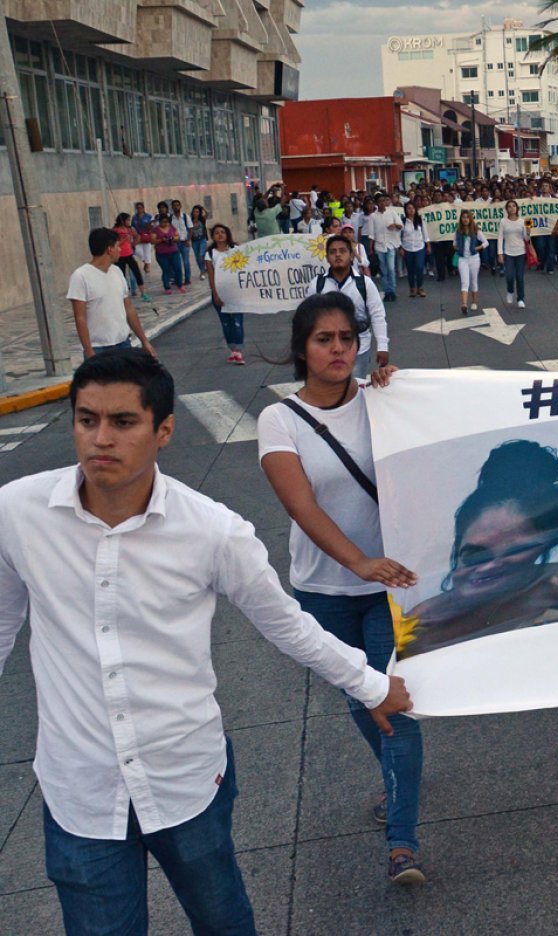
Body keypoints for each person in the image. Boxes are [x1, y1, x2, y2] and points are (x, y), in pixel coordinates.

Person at [0, 350, 414, 931]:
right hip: (80, 793)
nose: (100, 438)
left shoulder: (212, 531)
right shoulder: (18, 512)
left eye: (123, 422)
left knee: (223, 922)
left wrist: (369, 684)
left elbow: (284, 621)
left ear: (163, 430)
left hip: (185, 778)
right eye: (86, 419)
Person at [257, 293, 426, 884]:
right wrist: (357, 561)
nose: (337, 350)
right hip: (324, 588)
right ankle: (398, 782)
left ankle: (402, 842)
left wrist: (404, 392)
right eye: (324, 339)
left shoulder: (384, 401)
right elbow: (300, 505)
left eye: (346, 340)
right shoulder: (278, 420)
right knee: (359, 699)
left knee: (395, 706)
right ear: (301, 349)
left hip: (390, 585)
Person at [399, 441, 558, 658]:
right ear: (458, 546)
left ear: (544, 546)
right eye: (476, 554)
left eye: (514, 552)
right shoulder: (420, 624)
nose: (490, 566)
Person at [68, 228, 157, 360]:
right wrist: (90, 353)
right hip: (98, 349)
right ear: (109, 249)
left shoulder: (117, 272)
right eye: (117, 246)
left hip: (123, 344)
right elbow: (80, 318)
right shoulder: (80, 276)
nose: (120, 249)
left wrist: (144, 340)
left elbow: (129, 309)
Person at [311, 233, 390, 379]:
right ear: (327, 257)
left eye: (343, 251)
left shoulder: (365, 283)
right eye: (333, 252)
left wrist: (382, 346)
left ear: (351, 256)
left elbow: (377, 315)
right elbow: (308, 319)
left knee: (354, 390)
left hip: (358, 348)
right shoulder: (317, 284)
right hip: (326, 350)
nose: (338, 255)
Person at [204, 223, 247, 364]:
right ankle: (232, 349)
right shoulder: (210, 254)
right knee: (226, 323)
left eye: (223, 232)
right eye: (217, 233)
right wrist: (216, 294)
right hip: (220, 291)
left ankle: (239, 351)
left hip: (235, 292)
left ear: (227, 234)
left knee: (237, 322)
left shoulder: (236, 250)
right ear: (213, 236)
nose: (220, 235)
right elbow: (211, 276)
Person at [366, 194, 402, 303]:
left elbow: (401, 225)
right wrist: (370, 248)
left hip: (391, 244)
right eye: (380, 201)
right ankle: (387, 292)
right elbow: (371, 234)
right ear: (376, 203)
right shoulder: (373, 216)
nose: (382, 203)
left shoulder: (392, 213)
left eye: (384, 201)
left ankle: (392, 290)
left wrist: (394, 225)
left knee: (391, 268)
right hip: (379, 245)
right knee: (383, 270)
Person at [110, 213, 150, 302]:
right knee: (122, 275)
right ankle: (125, 294)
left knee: (137, 273)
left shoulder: (129, 229)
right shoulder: (115, 230)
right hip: (119, 256)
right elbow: (114, 244)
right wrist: (124, 240)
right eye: (128, 220)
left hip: (129, 254)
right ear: (123, 221)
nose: (129, 221)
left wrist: (133, 243)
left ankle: (143, 293)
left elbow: (137, 236)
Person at [498, 199, 529, 309]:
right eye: (509, 206)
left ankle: (521, 298)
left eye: (514, 206)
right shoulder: (503, 221)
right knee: (509, 276)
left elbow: (526, 238)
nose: (512, 208)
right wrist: (500, 253)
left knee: (520, 277)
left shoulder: (523, 221)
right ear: (507, 209)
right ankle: (510, 290)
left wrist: (529, 231)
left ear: (517, 208)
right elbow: (500, 238)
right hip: (508, 252)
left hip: (521, 251)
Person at [455, 211, 486, 315]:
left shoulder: (476, 231)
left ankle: (474, 301)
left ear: (470, 219)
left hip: (474, 259)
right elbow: (454, 244)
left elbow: (486, 243)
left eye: (467, 217)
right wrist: (458, 248)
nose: (465, 219)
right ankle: (464, 304)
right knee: (464, 282)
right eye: (463, 217)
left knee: (473, 281)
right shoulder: (458, 231)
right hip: (462, 259)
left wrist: (478, 247)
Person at [399, 202, 428, 299]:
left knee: (419, 267)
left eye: (412, 208)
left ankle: (420, 287)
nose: (411, 210)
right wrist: (401, 247)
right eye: (408, 208)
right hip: (407, 248)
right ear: (406, 210)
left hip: (419, 247)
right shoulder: (403, 221)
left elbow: (425, 233)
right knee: (410, 269)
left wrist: (428, 245)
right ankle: (412, 288)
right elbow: (399, 235)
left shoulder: (420, 220)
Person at [150, 213, 183, 294]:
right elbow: (152, 241)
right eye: (163, 222)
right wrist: (161, 240)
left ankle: (180, 285)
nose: (165, 223)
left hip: (174, 252)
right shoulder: (155, 230)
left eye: (166, 222)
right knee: (166, 270)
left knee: (178, 268)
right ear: (159, 222)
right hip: (162, 254)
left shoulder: (171, 227)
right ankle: (167, 287)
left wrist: (172, 238)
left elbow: (178, 236)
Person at [170, 199, 193, 288]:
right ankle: (178, 279)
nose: (176, 207)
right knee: (176, 262)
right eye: (174, 205)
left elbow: (190, 229)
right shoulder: (170, 218)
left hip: (184, 242)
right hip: (175, 243)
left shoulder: (185, 216)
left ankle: (187, 279)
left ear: (180, 206)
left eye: (177, 205)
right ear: (172, 207)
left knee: (186, 262)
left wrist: (188, 240)